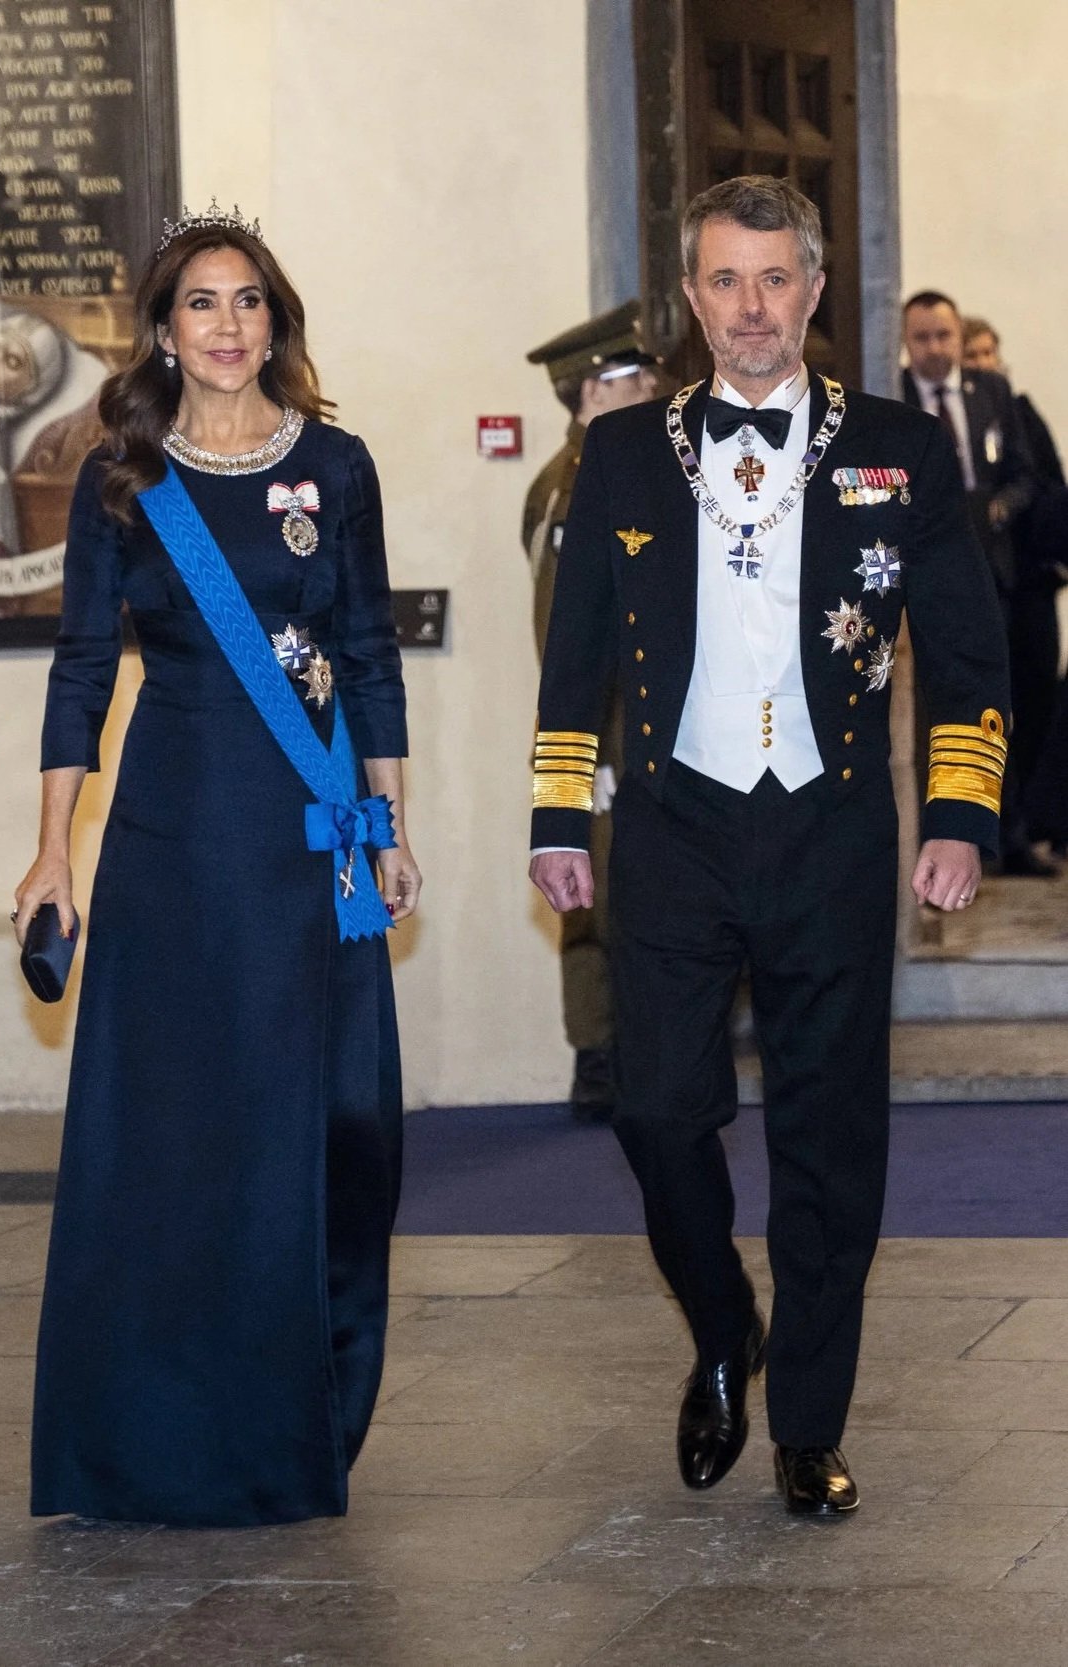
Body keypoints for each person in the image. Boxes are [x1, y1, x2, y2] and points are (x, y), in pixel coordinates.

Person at [530, 176, 1009, 1517]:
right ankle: (720, 1320)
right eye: (725, 280)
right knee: (653, 1108)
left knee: (827, 1135)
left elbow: (967, 652)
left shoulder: (899, 449)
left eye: (775, 278)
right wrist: (557, 816)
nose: (751, 307)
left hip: (830, 825)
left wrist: (959, 816)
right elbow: (573, 659)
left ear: (814, 288)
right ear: (692, 297)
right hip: (671, 826)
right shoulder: (622, 454)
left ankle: (805, 1419)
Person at [13, 200, 420, 1527]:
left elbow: (367, 649)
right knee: (175, 1136)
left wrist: (392, 823)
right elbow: (83, 668)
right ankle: (149, 1436)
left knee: (319, 1131)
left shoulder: (337, 465)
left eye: (249, 300)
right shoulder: (121, 478)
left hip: (308, 840)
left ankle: (288, 1424)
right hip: (174, 839)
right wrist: (50, 852)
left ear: (274, 321)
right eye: (202, 302)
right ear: (163, 329)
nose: (228, 324)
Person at [523, 302, 659, 1118]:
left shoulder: (612, 472)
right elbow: (564, 637)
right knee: (597, 904)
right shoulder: (575, 488)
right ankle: (602, 1060)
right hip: (603, 738)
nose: (651, 388)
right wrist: (591, 753)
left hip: (632, 733)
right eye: (634, 378)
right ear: (592, 392)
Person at [902, 291, 1048, 875]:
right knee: (935, 710)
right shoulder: (892, 398)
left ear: (959, 337)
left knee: (997, 708)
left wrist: (997, 509)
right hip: (922, 579)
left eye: (944, 336)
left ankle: (1002, 834)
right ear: (905, 342)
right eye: (922, 338)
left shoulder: (991, 392)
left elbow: (1025, 474)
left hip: (995, 571)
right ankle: (937, 832)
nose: (934, 348)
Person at [962, 317, 1068, 831]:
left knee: (1039, 697)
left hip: (1033, 581)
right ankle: (1001, 825)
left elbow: (1049, 484)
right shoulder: (960, 418)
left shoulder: (1020, 412)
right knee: (991, 709)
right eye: (973, 355)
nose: (984, 363)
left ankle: (1032, 820)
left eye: (989, 353)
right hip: (991, 584)